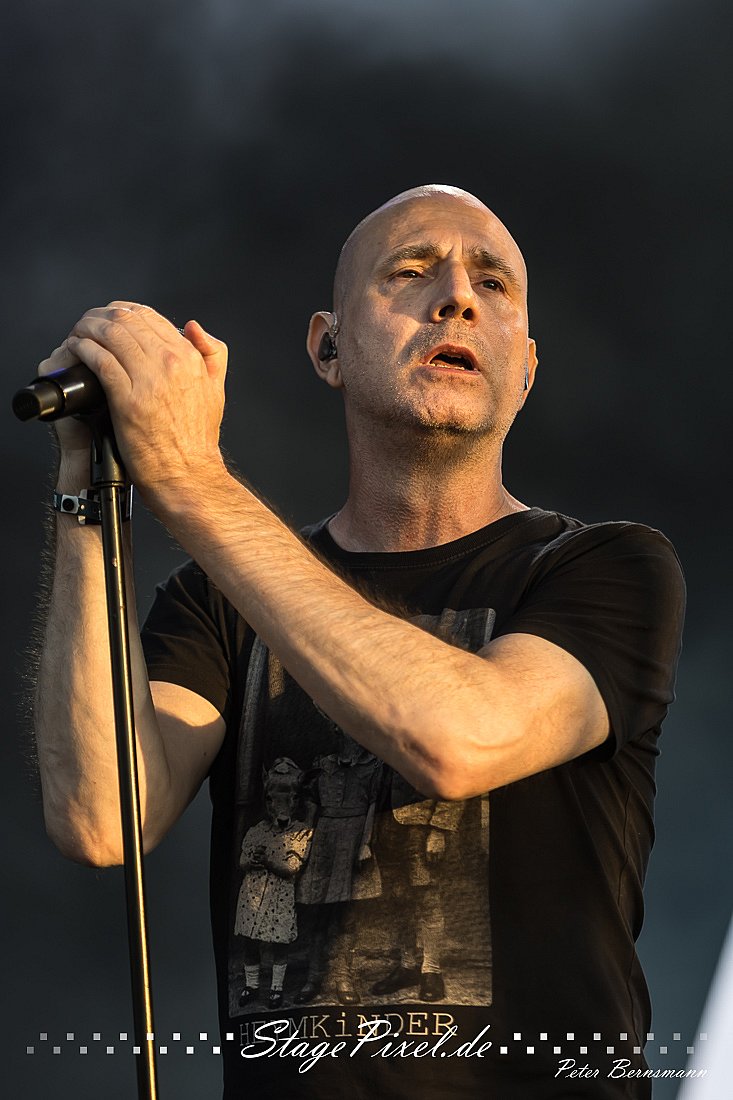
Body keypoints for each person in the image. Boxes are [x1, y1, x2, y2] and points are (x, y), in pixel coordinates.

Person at [33, 184, 685, 1098]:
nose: (456, 298)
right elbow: (101, 817)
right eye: (411, 273)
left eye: (492, 284)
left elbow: (457, 740)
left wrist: (187, 475)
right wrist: (84, 482)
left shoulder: (604, 567)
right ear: (327, 347)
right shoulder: (219, 600)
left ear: (526, 370)